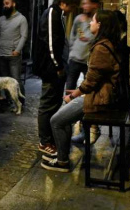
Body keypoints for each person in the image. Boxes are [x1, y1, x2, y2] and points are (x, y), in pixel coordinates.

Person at [41, 10, 121, 172]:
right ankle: (62, 155)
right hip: (98, 94)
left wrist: (74, 95)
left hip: (99, 98)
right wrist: (77, 92)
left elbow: (91, 81)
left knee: (56, 121)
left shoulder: (102, 48)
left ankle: (62, 161)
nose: (90, 23)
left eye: (93, 21)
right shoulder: (107, 43)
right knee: (64, 115)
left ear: (100, 25)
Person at [34, 0, 81, 157]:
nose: (72, 11)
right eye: (72, 7)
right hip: (50, 69)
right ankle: (44, 141)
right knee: (47, 104)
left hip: (55, 68)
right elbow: (51, 44)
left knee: (53, 103)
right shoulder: (52, 14)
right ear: (64, 3)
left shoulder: (58, 14)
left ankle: (50, 137)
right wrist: (58, 66)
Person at [66, 0, 101, 144]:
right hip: (75, 59)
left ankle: (90, 128)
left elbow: (96, 38)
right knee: (69, 92)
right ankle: (68, 125)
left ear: (95, 5)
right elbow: (72, 37)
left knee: (89, 94)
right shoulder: (78, 19)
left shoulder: (97, 21)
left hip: (89, 61)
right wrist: (72, 51)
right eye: (83, 4)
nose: (84, 6)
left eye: (88, 3)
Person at [0, 0, 28, 100]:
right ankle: (9, 100)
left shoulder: (21, 19)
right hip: (1, 54)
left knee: (15, 79)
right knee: (5, 80)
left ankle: (20, 100)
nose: (5, 6)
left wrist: (17, 50)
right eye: (4, 4)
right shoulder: (1, 19)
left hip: (13, 55)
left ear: (14, 4)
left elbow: (24, 36)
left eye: (7, 3)